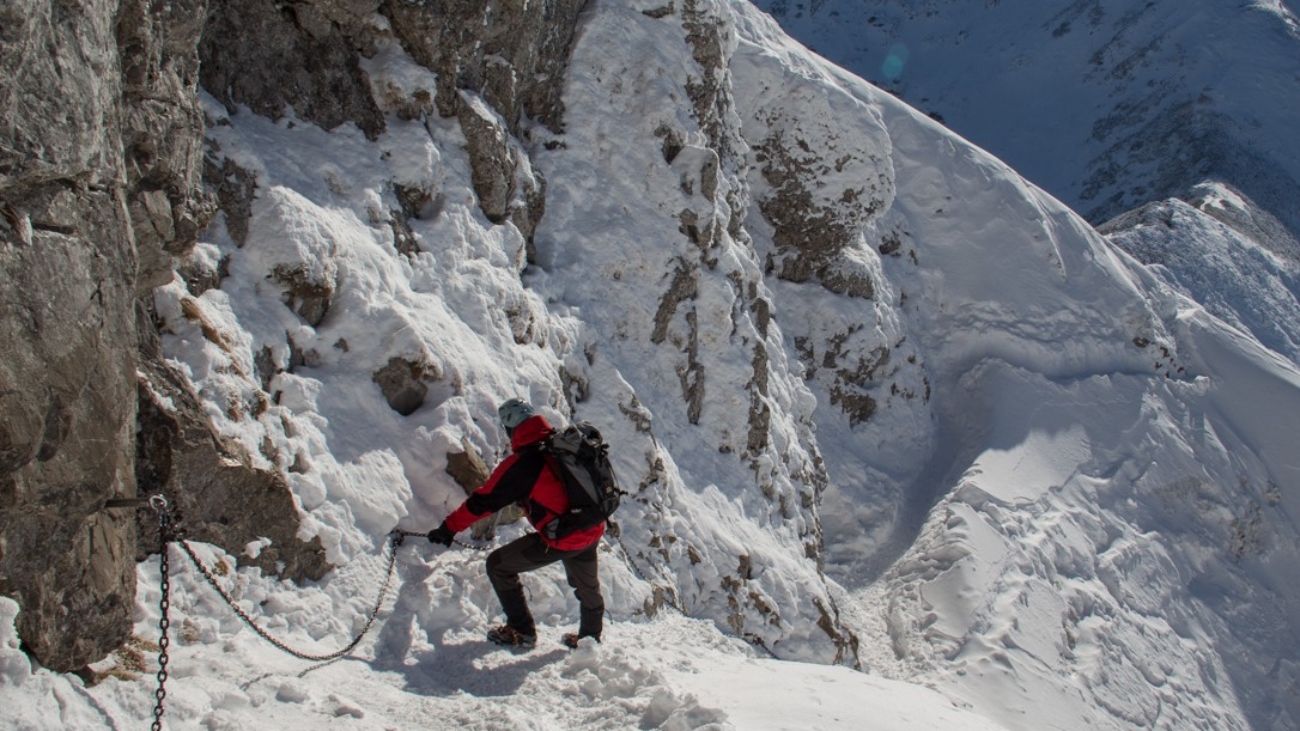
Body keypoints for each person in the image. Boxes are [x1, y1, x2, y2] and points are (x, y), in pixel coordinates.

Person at [427, 398, 606, 649]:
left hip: (564, 536)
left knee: (498, 565)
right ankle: (590, 641)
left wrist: (448, 529)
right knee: (588, 587)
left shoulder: (524, 463)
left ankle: (522, 631)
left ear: (511, 429)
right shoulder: (560, 445)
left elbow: (483, 502)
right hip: (591, 525)